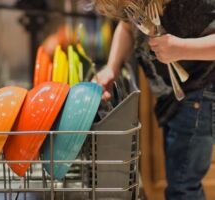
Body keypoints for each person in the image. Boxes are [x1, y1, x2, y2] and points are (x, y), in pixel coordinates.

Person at [91, 0, 215, 199]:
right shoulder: (136, 3)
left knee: (183, 187)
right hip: (173, 96)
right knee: (179, 182)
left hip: (199, 95)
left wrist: (182, 48)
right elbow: (127, 27)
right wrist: (111, 68)